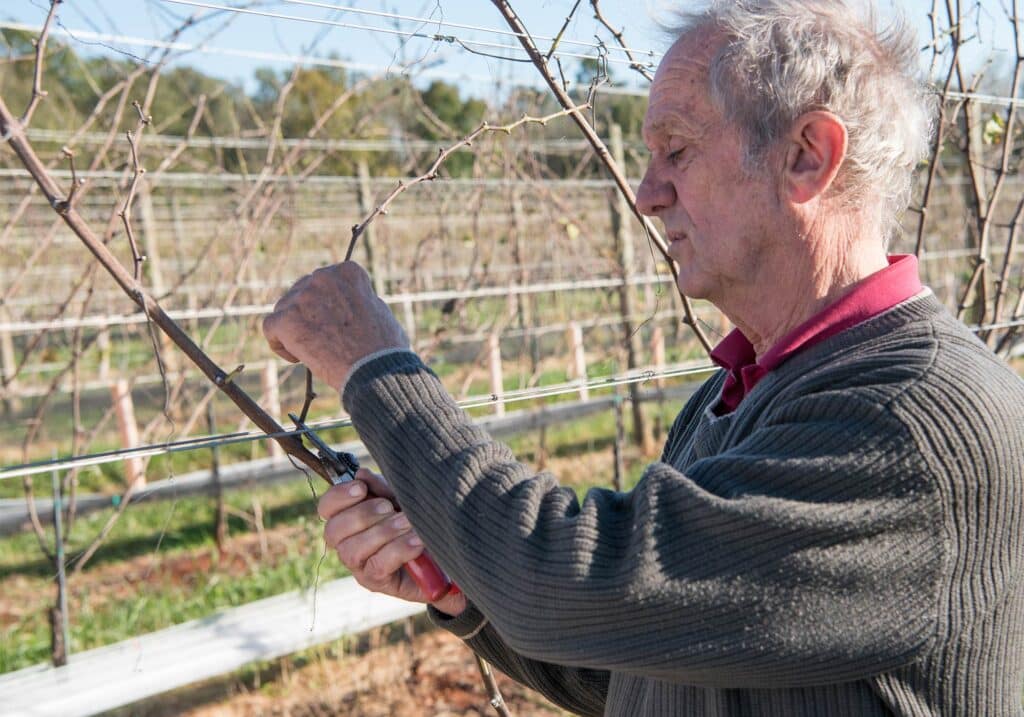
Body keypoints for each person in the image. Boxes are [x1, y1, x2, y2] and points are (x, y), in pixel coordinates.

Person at [263, 1, 1024, 715]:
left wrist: (377, 370)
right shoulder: (736, 394)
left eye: (676, 150)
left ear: (806, 155)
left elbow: (568, 579)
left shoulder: (913, 422)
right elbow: (653, 666)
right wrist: (459, 575)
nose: (646, 192)